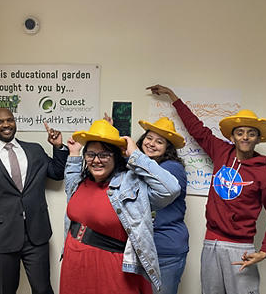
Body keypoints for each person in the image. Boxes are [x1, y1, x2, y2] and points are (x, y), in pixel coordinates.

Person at [146, 84, 266, 294]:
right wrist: (174, 97)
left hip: (241, 249)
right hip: (211, 243)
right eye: (240, 133)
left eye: (251, 133)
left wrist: (265, 251)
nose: (245, 137)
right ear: (232, 137)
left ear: (258, 138)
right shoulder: (221, 152)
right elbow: (197, 130)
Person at [59, 119, 181, 294]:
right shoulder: (80, 181)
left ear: (116, 157)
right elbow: (70, 180)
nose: (96, 160)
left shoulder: (130, 184)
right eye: (91, 154)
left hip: (111, 269)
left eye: (104, 155)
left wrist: (135, 155)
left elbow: (171, 189)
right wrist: (74, 153)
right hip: (74, 263)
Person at [0, 109, 68, 294]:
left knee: (43, 290)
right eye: (0, 122)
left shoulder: (34, 150)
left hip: (37, 235)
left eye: (9, 120)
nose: (6, 125)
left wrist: (58, 147)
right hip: (1, 238)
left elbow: (57, 173)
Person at [135, 117, 189, 294]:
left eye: (159, 142)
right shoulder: (142, 165)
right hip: (143, 247)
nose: (151, 144)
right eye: (149, 138)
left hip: (165, 249)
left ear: (168, 148)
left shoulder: (172, 168)